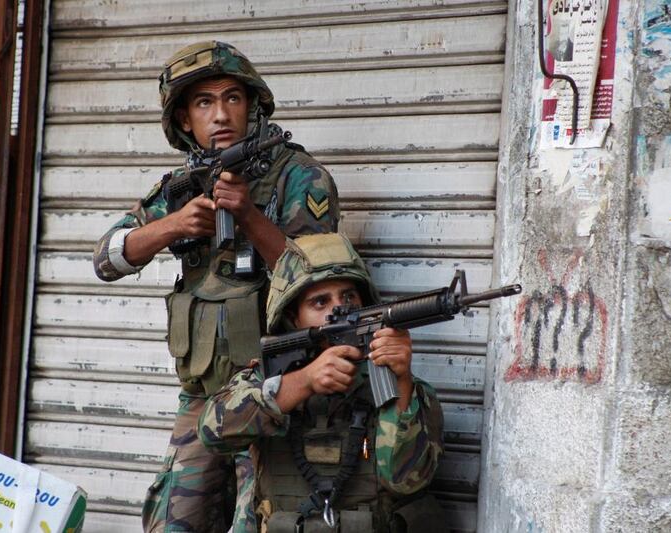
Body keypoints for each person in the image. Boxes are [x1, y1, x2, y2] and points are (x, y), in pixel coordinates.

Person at [92, 41, 340, 532]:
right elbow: (106, 258)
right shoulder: (185, 184)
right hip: (202, 395)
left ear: (252, 105)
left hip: (274, 387)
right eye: (204, 103)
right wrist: (174, 225)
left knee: (261, 521)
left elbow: (319, 280)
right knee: (173, 522)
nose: (221, 114)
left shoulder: (299, 176)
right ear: (185, 120)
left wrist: (247, 215)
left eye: (232, 98)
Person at [199, 233, 447, 532]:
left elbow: (405, 481)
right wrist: (304, 381)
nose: (339, 310)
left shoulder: (396, 387)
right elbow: (212, 432)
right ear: (293, 317)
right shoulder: (264, 380)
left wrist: (402, 381)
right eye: (320, 302)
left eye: (349, 297)